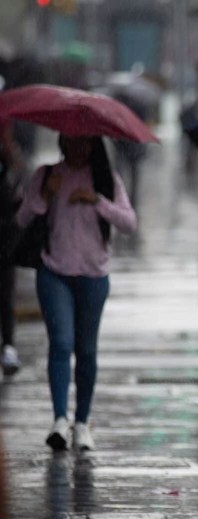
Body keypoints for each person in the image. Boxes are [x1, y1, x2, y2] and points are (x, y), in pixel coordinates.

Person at [16, 135, 138, 451]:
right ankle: (59, 418)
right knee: (61, 343)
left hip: (93, 277)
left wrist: (96, 200)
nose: (78, 147)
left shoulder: (106, 180)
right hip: (54, 272)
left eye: (85, 142)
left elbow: (129, 222)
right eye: (72, 141)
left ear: (94, 144)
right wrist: (45, 194)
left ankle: (82, 423)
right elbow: (23, 217)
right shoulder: (46, 174)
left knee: (86, 350)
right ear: (62, 140)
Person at [0, 117, 25, 376]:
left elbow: (16, 197)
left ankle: (8, 344)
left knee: (6, 294)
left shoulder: (9, 160)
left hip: (5, 238)